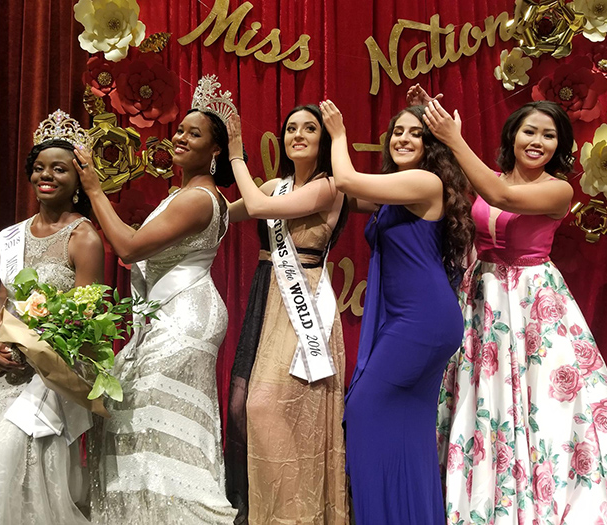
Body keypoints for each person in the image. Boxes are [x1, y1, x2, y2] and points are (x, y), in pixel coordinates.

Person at [425, 99, 607, 524]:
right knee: (485, 396)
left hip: (532, 300)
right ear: (512, 136)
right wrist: (432, 127)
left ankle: (546, 489)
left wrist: (454, 139)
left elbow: (502, 197)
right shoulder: (491, 176)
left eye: (549, 135)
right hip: (484, 295)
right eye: (529, 131)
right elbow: (476, 189)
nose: (537, 141)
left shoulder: (558, 190)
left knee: (541, 396)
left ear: (559, 145)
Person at [82, 75, 238, 525]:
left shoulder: (199, 199)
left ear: (215, 150)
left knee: (160, 425)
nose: (180, 137)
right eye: (180, 130)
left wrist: (95, 190)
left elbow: (129, 248)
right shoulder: (184, 195)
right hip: (169, 315)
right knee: (138, 418)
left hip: (185, 318)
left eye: (194, 134)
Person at [0, 109, 105, 525]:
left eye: (59, 169)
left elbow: (88, 322)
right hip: (7, 371)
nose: (45, 175)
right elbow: (3, 307)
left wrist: (38, 346)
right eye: (39, 167)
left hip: (50, 376)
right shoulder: (14, 235)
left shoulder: (84, 237)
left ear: (78, 181)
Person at [319, 99, 474, 524]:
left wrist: (338, 134)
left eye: (416, 134)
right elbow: (342, 191)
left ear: (430, 146)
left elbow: (347, 179)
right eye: (398, 132)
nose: (403, 139)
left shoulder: (424, 182)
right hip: (418, 320)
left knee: (364, 409)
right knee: (410, 434)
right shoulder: (396, 192)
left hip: (422, 321)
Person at [223, 105, 349, 524]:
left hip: (303, 303)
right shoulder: (275, 186)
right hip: (267, 295)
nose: (298, 134)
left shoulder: (329, 185)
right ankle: (262, 510)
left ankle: (297, 513)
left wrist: (236, 155)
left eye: (309, 128)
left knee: (273, 409)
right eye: (291, 127)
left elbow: (259, 208)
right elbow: (228, 213)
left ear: (323, 140)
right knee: (242, 406)